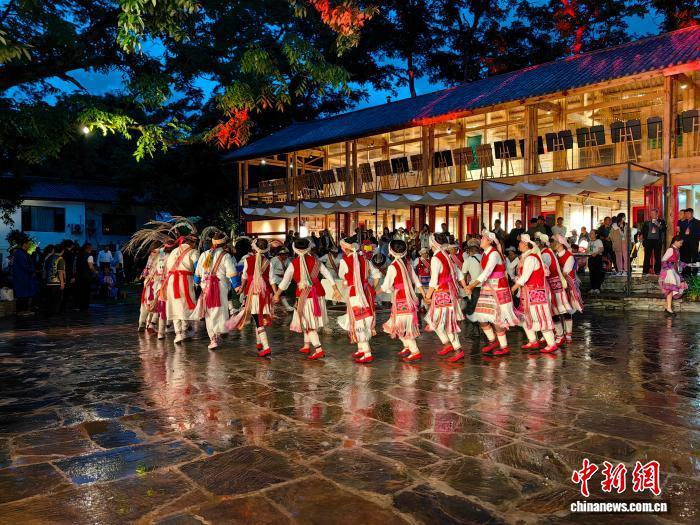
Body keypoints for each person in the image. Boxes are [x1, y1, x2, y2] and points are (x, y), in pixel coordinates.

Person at [273, 238, 341, 360]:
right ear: (308, 248)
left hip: (305, 296)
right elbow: (327, 274)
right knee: (308, 320)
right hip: (318, 294)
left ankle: (318, 349)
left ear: (295, 249)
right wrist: (335, 289)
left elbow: (285, 281)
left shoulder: (293, 264)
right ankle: (306, 345)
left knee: (307, 322)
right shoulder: (316, 262)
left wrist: (277, 294)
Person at [466, 230, 518, 355]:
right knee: (481, 316)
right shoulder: (485, 253)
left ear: (489, 241)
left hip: (498, 288)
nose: (481, 240)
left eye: (483, 239)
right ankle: (492, 340)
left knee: (497, 318)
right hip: (487, 287)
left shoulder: (494, 254)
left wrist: (472, 285)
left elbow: (487, 271)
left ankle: (504, 346)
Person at [424, 233, 470, 362]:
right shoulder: (447, 255)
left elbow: (434, 281)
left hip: (442, 293)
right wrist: (465, 286)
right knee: (436, 321)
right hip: (448, 293)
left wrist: (427, 296)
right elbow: (459, 274)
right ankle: (448, 344)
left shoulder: (436, 258)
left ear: (432, 244)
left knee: (441, 322)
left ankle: (457, 349)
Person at [512, 234, 558, 353]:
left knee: (540, 316)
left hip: (536, 292)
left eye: (520, 242)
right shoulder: (525, 257)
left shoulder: (531, 258)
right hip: (528, 292)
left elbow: (525, 277)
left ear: (526, 245)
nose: (518, 244)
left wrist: (514, 287)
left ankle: (551, 344)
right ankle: (533, 340)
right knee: (525, 316)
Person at [338, 238, 381, 363]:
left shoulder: (344, 261)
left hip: (355, 294)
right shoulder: (365, 260)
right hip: (366, 292)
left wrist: (347, 282)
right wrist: (372, 288)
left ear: (345, 249)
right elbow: (377, 274)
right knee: (363, 318)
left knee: (359, 320)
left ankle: (367, 353)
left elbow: (342, 276)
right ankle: (361, 348)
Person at [381, 239, 423, 362]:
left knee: (401, 325)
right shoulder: (408, 264)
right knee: (400, 325)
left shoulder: (393, 266)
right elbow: (416, 281)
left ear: (391, 251)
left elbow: (386, 286)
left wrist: (375, 293)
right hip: (409, 298)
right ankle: (407, 346)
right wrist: (425, 295)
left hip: (400, 298)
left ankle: (415, 351)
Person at [196, 232, 237, 350]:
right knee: (218, 311)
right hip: (219, 287)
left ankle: (213, 337)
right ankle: (217, 333)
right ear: (224, 244)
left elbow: (197, 275)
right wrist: (237, 286)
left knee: (208, 312)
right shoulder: (226, 256)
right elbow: (232, 273)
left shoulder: (204, 254)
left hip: (205, 287)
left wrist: (198, 283)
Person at [165, 225, 200, 344]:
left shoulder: (174, 251)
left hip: (172, 282)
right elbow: (198, 268)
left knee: (175, 306)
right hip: (185, 280)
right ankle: (184, 331)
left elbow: (167, 268)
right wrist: (198, 280)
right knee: (186, 306)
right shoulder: (193, 252)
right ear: (193, 243)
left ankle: (178, 333)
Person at [536, 233, 570, 346]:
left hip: (553, 284)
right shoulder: (546, 252)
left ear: (541, 243)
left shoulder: (546, 254)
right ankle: (557, 333)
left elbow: (544, 271)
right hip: (553, 284)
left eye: (537, 242)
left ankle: (560, 334)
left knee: (554, 311)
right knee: (554, 310)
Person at [552, 234, 584, 343]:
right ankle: (559, 333)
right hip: (556, 284)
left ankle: (568, 333)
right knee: (556, 310)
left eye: (555, 242)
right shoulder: (555, 255)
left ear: (561, 244)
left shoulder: (569, 256)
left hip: (566, 285)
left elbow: (565, 273)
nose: (553, 244)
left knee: (566, 310)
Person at [659, 235, 688, 315]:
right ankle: (668, 308)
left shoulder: (676, 250)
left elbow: (677, 262)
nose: (681, 244)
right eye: (680, 243)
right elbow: (663, 260)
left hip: (673, 271)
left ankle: (667, 307)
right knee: (670, 289)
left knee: (671, 289)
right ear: (676, 241)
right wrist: (669, 268)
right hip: (669, 272)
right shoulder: (671, 249)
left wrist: (688, 265)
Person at [11, 235, 38, 316]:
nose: (30, 245)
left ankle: (24, 310)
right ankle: (21, 311)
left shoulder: (22, 253)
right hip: (21, 277)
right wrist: (33, 270)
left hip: (24, 277)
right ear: (24, 244)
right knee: (22, 295)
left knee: (24, 295)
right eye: (28, 244)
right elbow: (24, 266)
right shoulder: (20, 253)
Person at [138, 244, 161, 331]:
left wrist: (143, 275)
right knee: (158, 303)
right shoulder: (162, 253)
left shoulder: (152, 254)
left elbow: (147, 268)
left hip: (148, 281)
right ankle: (151, 323)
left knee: (145, 303)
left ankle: (143, 322)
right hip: (156, 281)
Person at [461, 238, 483, 320]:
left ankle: (472, 320)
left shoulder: (468, 260)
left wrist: (465, 286)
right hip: (486, 285)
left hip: (474, 286)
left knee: (473, 304)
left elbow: (464, 275)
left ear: (470, 250)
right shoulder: (485, 258)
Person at [270, 247, 295, 313]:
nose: (285, 256)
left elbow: (290, 268)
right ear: (280, 255)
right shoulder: (274, 260)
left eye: (286, 254)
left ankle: (284, 307)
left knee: (280, 293)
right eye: (284, 255)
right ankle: (286, 307)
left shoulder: (287, 260)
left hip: (282, 278)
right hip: (274, 278)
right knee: (279, 293)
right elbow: (271, 271)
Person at [641, 209, 665, 275]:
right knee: (647, 256)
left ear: (657, 214)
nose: (652, 215)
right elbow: (643, 231)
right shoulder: (647, 222)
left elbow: (664, 229)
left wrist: (658, 224)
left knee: (657, 256)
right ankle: (645, 271)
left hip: (657, 241)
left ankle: (657, 271)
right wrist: (642, 237)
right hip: (648, 241)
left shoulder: (661, 221)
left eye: (654, 213)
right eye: (651, 214)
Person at [45, 242, 66, 317]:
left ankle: (49, 313)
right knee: (57, 299)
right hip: (57, 282)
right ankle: (54, 314)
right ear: (62, 251)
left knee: (50, 299)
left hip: (48, 281)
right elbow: (60, 272)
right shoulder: (60, 259)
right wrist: (62, 282)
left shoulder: (49, 258)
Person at [75, 242, 96, 311]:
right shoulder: (89, 256)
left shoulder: (79, 255)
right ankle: (85, 306)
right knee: (86, 292)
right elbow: (90, 266)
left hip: (79, 276)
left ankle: (80, 305)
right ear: (89, 248)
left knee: (80, 291)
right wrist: (95, 271)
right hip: (87, 276)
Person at [679, 208, 700, 276]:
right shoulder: (683, 222)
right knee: (685, 259)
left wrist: (690, 233)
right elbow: (681, 233)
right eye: (685, 214)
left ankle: (694, 273)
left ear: (692, 213)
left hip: (693, 243)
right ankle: (686, 273)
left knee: (694, 258)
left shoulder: (697, 222)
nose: (686, 215)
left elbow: (698, 233)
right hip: (684, 243)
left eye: (688, 213)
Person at [587, 229, 605, 294]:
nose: (590, 234)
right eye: (590, 233)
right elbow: (588, 250)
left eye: (592, 233)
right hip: (590, 258)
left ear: (596, 234)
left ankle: (597, 288)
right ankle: (592, 288)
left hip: (597, 258)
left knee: (597, 273)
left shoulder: (598, 241)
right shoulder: (589, 242)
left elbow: (602, 249)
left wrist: (596, 253)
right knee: (591, 273)